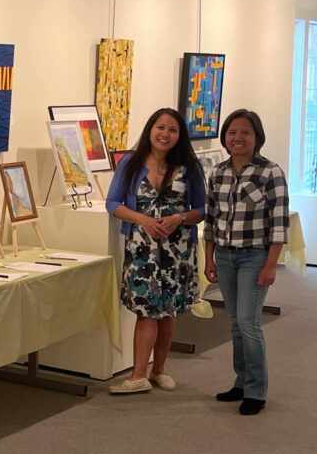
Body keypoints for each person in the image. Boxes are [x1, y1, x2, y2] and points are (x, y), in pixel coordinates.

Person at [105, 108, 206, 394]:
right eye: (160, 127)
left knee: (168, 311)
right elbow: (113, 204)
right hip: (142, 248)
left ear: (179, 136)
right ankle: (138, 374)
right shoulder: (131, 163)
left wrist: (179, 218)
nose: (165, 134)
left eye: (172, 130)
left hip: (178, 249)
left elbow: (200, 209)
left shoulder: (190, 166)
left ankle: (159, 370)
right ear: (150, 129)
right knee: (147, 311)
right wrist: (143, 219)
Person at [203, 110, 288, 416]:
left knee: (249, 324)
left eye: (245, 133)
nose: (238, 138)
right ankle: (240, 381)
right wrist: (208, 257)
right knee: (236, 324)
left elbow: (279, 224)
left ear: (257, 138)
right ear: (225, 137)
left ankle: (256, 390)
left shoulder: (270, 172)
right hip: (224, 256)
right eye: (232, 133)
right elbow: (211, 219)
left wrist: (271, 265)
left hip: (254, 256)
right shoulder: (219, 172)